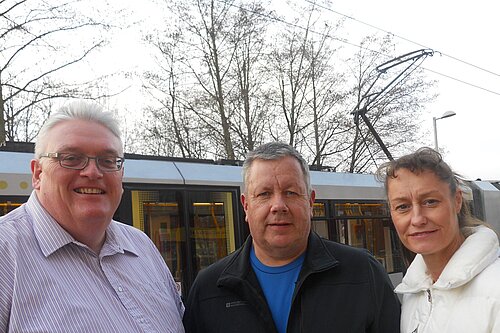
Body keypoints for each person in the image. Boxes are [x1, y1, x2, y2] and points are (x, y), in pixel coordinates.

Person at [0, 102, 185, 332]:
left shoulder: (142, 247)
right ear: (38, 174)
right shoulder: (6, 256)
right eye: (71, 158)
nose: (92, 172)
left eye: (107, 161)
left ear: (121, 175)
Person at [183, 142, 400, 333]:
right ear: (246, 206)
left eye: (291, 192)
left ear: (310, 202)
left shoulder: (363, 273)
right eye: (264, 194)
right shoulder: (208, 289)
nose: (278, 206)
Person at [377, 147, 500, 333]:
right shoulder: (413, 293)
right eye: (403, 206)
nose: (417, 219)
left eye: (430, 202)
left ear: (457, 201)